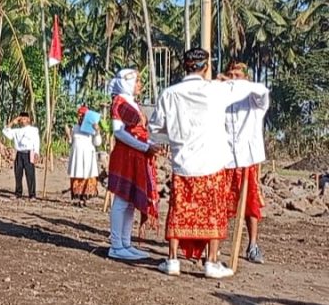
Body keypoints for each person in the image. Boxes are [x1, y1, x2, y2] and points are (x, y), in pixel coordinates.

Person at [149, 49, 270, 278]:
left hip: (183, 162)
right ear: (206, 67)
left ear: (185, 66)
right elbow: (260, 89)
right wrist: (232, 83)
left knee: (179, 209)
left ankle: (173, 259)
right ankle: (212, 262)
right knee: (213, 211)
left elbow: (155, 129)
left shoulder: (169, 93)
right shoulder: (217, 91)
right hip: (212, 163)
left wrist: (173, 138)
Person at [106, 68, 161, 261]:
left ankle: (125, 242)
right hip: (126, 154)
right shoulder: (120, 102)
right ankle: (116, 245)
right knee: (121, 199)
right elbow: (119, 132)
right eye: (137, 81)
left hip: (136, 154)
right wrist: (144, 146)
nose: (140, 85)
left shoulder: (130, 102)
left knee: (129, 200)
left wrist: (147, 145)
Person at [222, 61, 269, 264]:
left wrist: (235, 84)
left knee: (251, 203)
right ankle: (212, 244)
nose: (233, 79)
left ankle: (252, 245)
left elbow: (262, 91)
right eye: (230, 75)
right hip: (224, 158)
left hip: (248, 158)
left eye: (237, 76)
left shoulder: (255, 98)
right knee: (219, 201)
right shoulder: (221, 98)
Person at [67, 106, 103, 206]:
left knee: (87, 175)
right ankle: (77, 197)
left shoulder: (92, 128)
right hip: (77, 156)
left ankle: (84, 198)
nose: (80, 118)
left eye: (82, 116)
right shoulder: (75, 127)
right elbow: (72, 142)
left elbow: (97, 143)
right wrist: (68, 135)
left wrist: (97, 132)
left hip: (87, 156)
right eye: (79, 116)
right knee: (78, 174)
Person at [3, 112, 41, 199]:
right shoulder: (17, 131)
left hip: (29, 152)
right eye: (21, 119)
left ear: (28, 119)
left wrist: (36, 152)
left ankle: (32, 195)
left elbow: (36, 141)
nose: (22, 121)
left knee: (30, 174)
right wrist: (13, 122)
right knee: (18, 174)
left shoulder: (33, 130)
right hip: (19, 153)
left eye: (24, 119)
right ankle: (18, 193)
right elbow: (5, 131)